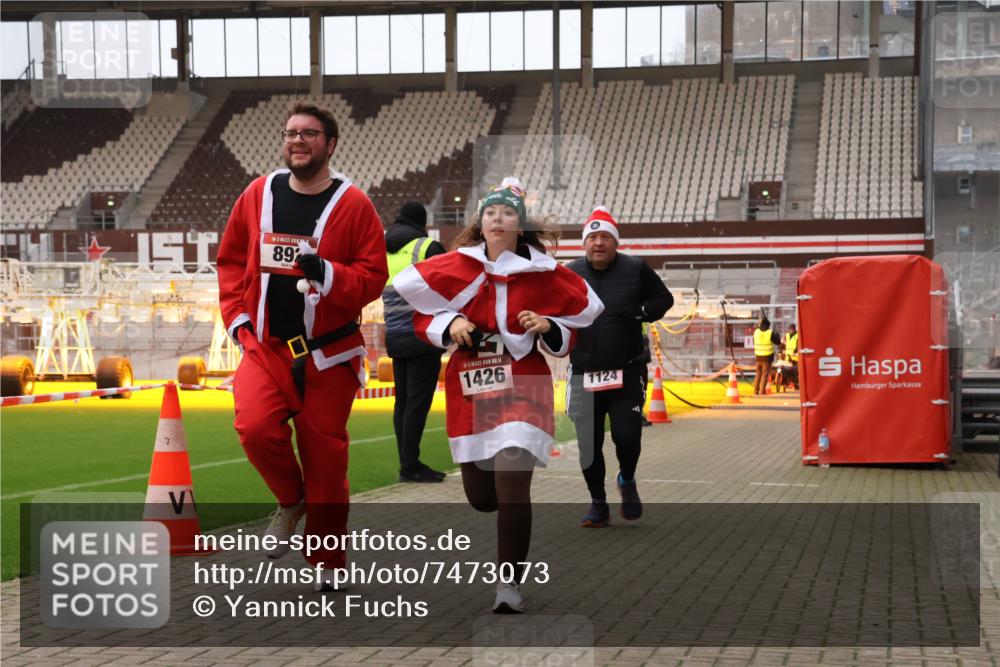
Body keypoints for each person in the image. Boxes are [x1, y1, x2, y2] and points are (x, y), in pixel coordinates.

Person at [393, 178, 602, 613]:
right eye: (490, 212)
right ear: (480, 223)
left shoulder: (543, 272)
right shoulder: (455, 266)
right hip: (471, 386)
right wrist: (449, 325)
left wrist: (549, 326)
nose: (498, 219)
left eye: (507, 213)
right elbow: (421, 318)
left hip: (524, 382)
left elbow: (575, 327)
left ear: (519, 225)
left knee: (511, 479)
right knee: (482, 497)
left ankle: (508, 585)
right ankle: (502, 528)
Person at [217, 102, 388, 590]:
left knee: (326, 460)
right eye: (291, 133)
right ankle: (291, 502)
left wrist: (327, 273)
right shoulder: (258, 194)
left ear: (330, 145)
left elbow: (373, 277)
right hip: (265, 346)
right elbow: (229, 261)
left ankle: (328, 563)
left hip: (328, 354)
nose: (297, 140)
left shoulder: (354, 205)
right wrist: (238, 320)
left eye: (309, 134)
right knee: (254, 429)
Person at [566, 207, 673, 528]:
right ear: (584, 243)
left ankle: (626, 478)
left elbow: (663, 300)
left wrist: (639, 312)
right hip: (583, 373)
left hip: (625, 372)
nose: (598, 243)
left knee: (627, 438)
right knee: (588, 445)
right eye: (593, 237)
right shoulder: (570, 273)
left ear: (615, 242)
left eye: (605, 237)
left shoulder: (635, 268)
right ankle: (598, 504)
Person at [382, 201, 448, 483]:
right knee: (417, 404)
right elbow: (449, 283)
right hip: (423, 334)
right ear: (422, 222)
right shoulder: (426, 247)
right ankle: (409, 465)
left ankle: (406, 461)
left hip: (395, 334)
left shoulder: (382, 249)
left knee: (403, 402)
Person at [752, 316, 780, 395]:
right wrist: (777, 335)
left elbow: (754, 341)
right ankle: (762, 391)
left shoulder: (756, 332)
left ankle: (755, 391)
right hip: (767, 357)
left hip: (758, 356)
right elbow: (777, 342)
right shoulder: (770, 333)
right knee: (764, 375)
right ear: (767, 325)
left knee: (758, 374)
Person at [783, 323, 799, 389]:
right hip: (788, 356)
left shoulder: (798, 335)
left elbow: (799, 345)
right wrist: (781, 349)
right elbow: (783, 343)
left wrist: (795, 351)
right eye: (790, 329)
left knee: (795, 371)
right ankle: (787, 383)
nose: (791, 330)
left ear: (795, 329)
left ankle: (796, 384)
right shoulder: (786, 335)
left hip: (795, 356)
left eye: (792, 329)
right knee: (786, 370)